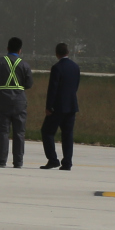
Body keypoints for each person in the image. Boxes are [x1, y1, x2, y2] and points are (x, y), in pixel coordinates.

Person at [0, 36, 33, 168]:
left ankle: (2, 160)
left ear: (7, 49)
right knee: (19, 132)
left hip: (3, 98)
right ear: (20, 50)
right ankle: (18, 162)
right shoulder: (24, 64)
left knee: (3, 131)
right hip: (19, 100)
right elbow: (29, 83)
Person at [39, 42, 79, 170]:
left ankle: (53, 159)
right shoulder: (75, 67)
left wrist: (49, 106)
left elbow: (53, 89)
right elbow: (75, 86)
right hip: (71, 105)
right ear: (68, 52)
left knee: (47, 131)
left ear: (57, 53)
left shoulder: (57, 68)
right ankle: (67, 162)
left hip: (58, 107)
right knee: (67, 134)